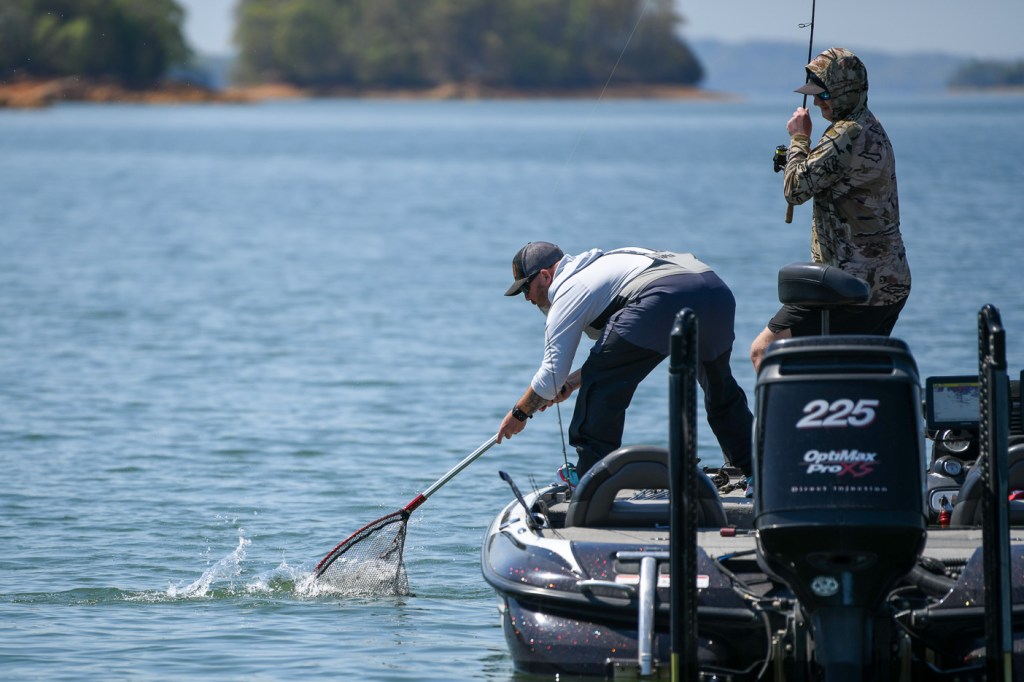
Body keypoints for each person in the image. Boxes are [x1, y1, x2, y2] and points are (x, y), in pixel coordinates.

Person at [496, 241, 753, 478]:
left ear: (545, 276)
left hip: (665, 294)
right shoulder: (604, 264)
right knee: (720, 388)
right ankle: (753, 471)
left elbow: (552, 377)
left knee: (600, 390)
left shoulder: (569, 289)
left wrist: (519, 414)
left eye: (526, 288)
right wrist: (571, 384)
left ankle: (590, 482)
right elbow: (616, 358)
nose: (527, 298)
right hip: (714, 290)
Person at [750, 47, 911, 372]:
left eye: (824, 94)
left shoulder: (845, 134)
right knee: (851, 370)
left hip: (852, 288)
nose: (818, 102)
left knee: (765, 351)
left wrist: (799, 139)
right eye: (814, 94)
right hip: (886, 283)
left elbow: (795, 189)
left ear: (847, 91)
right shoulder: (870, 125)